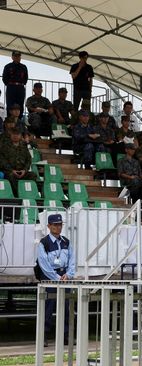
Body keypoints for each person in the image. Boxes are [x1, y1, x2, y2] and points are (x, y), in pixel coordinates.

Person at [37, 213, 75, 347]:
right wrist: (57, 278)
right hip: (50, 278)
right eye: (55, 225)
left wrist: (69, 274)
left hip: (64, 277)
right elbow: (44, 264)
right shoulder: (44, 243)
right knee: (48, 306)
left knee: (66, 307)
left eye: (60, 225)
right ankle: (44, 335)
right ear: (49, 226)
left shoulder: (66, 241)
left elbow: (72, 260)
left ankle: (66, 334)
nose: (58, 227)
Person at [0, 128, 37, 193]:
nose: (15, 136)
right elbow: (2, 161)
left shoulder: (24, 146)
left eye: (17, 134)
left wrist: (24, 170)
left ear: (20, 136)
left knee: (33, 175)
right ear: (10, 135)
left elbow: (28, 160)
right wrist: (12, 170)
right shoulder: (4, 146)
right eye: (13, 134)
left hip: (22, 172)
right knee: (11, 176)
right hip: (9, 171)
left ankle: (28, 193)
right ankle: (18, 194)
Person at [2, 50, 28, 117]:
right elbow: (4, 78)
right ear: (12, 57)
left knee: (20, 105)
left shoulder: (24, 67)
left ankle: (19, 123)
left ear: (20, 57)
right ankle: (9, 122)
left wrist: (20, 84)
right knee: (10, 105)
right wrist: (10, 84)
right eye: (15, 56)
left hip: (20, 88)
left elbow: (25, 78)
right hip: (11, 87)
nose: (17, 58)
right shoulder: (8, 66)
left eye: (18, 56)